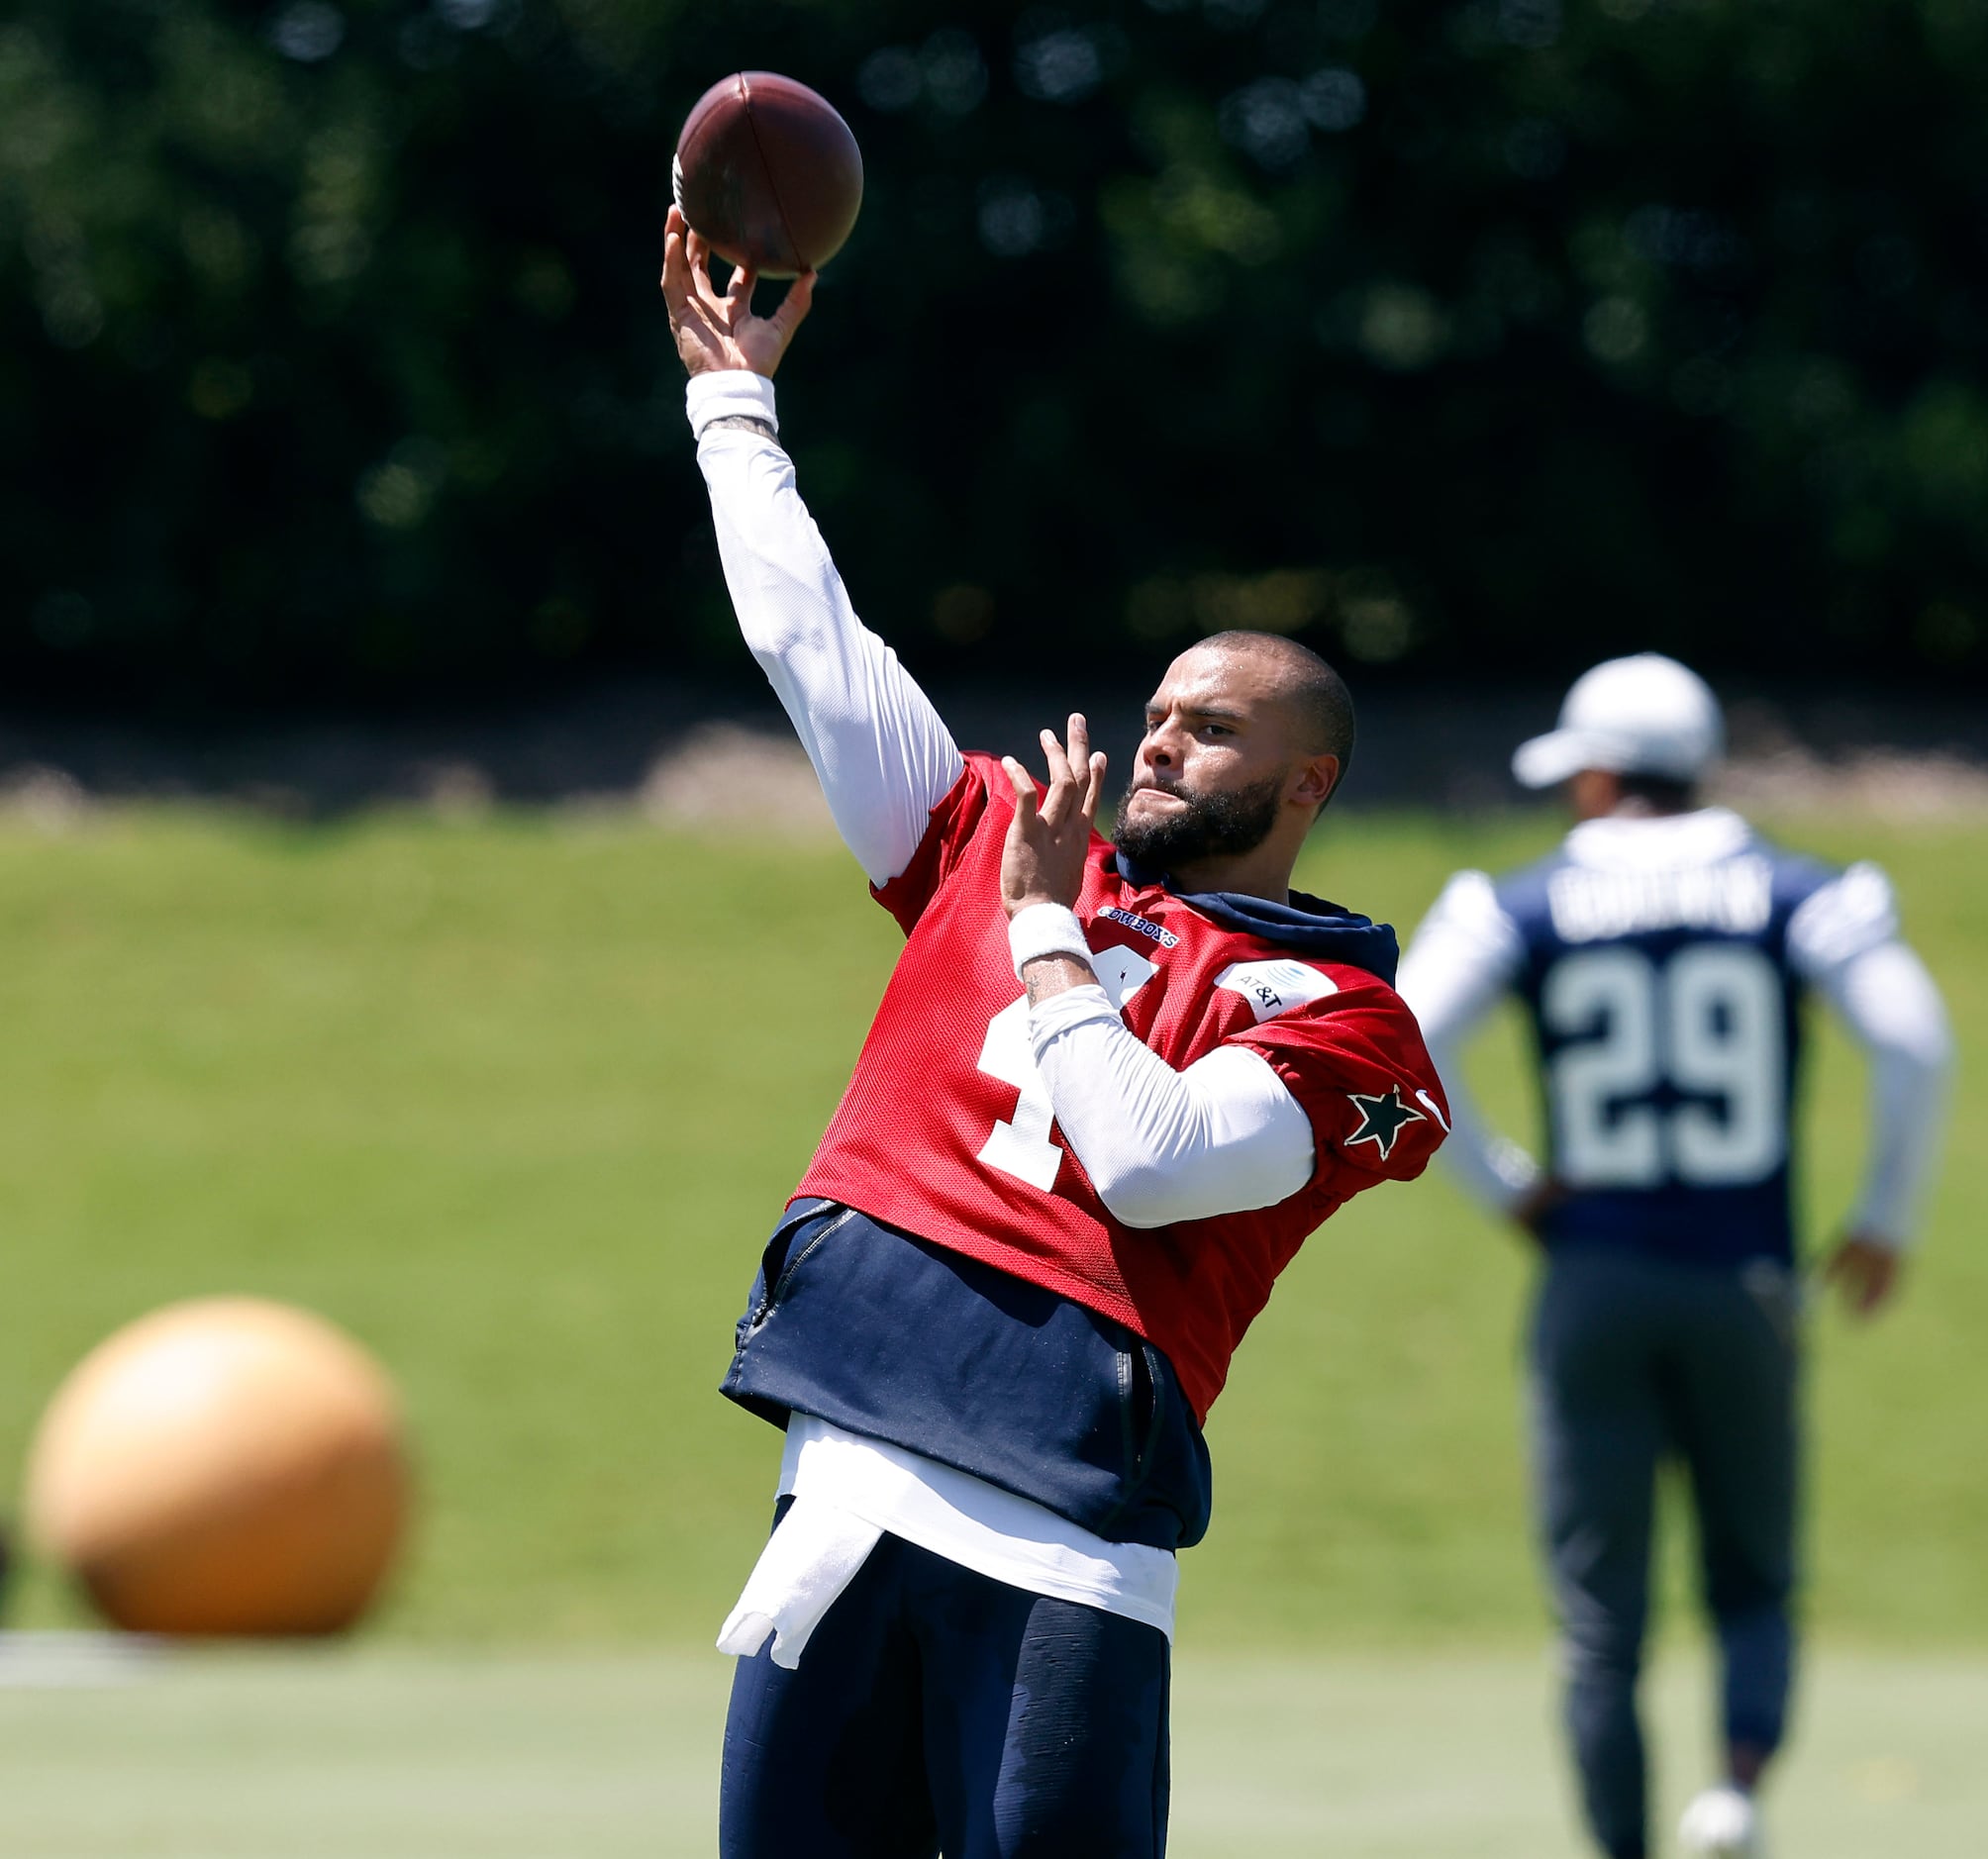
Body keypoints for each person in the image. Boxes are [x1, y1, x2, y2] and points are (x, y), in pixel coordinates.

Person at [658, 205, 1448, 1857]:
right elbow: (813, 647)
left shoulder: (1353, 1025)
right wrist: (734, 404)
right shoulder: (997, 831)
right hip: (855, 1475)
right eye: (1155, 716)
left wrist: (1037, 925)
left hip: (1063, 1536)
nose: (1160, 748)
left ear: (1308, 784)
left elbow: (1152, 1164)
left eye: (1212, 731)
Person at [1396, 653, 1952, 1859]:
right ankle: (1737, 1795)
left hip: (1589, 1276)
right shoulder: (1795, 892)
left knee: (1600, 1625)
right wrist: (1882, 1220)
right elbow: (1911, 1040)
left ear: (1597, 776)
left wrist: (1505, 1190)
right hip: (1745, 1277)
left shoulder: (1519, 899)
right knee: (1753, 1575)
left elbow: (1410, 1036)